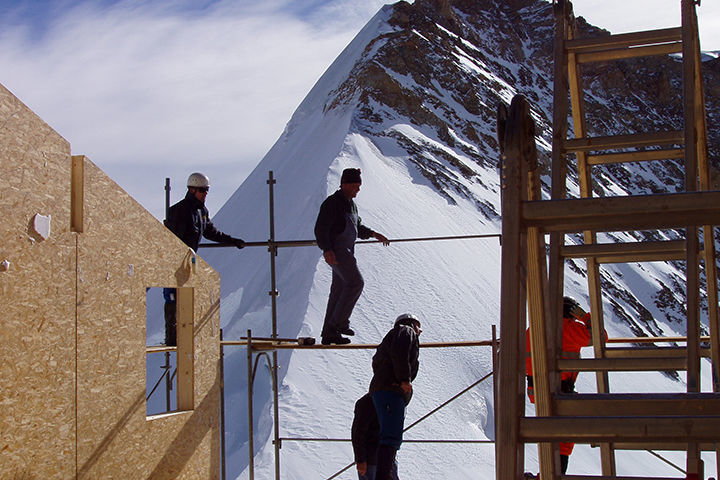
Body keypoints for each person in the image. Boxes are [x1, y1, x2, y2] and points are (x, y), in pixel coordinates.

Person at [525, 296, 607, 475]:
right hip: (560, 392)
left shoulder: (533, 330)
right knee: (563, 440)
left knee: (550, 434)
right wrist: (585, 317)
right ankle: (550, 476)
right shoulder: (569, 328)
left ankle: (545, 475)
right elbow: (601, 337)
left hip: (536, 390)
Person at [163, 172, 245, 345]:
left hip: (188, 263)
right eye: (202, 190)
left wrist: (232, 240)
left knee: (186, 297)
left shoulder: (202, 212)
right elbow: (171, 239)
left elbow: (210, 231)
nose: (205, 194)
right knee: (172, 297)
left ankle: (183, 335)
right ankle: (172, 337)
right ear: (192, 190)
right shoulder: (179, 211)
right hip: (175, 262)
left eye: (206, 190)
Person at [314, 168, 389, 345]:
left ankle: (329, 334)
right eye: (356, 185)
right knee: (356, 283)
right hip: (338, 251)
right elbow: (320, 229)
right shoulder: (332, 203)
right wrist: (327, 249)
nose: (358, 189)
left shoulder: (351, 204)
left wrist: (372, 233)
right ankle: (339, 324)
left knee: (338, 290)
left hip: (346, 250)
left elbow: (357, 227)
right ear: (345, 184)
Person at [368, 313, 422, 480]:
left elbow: (376, 362)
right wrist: (404, 379)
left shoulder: (389, 338)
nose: (420, 331)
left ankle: (384, 473)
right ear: (411, 324)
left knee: (387, 434)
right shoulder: (405, 331)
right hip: (392, 389)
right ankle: (384, 475)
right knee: (391, 435)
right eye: (418, 326)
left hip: (382, 390)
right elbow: (400, 352)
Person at [351, 393, 398, 480]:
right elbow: (358, 433)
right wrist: (361, 460)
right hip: (371, 461)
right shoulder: (368, 402)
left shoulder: (394, 400)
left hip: (387, 458)